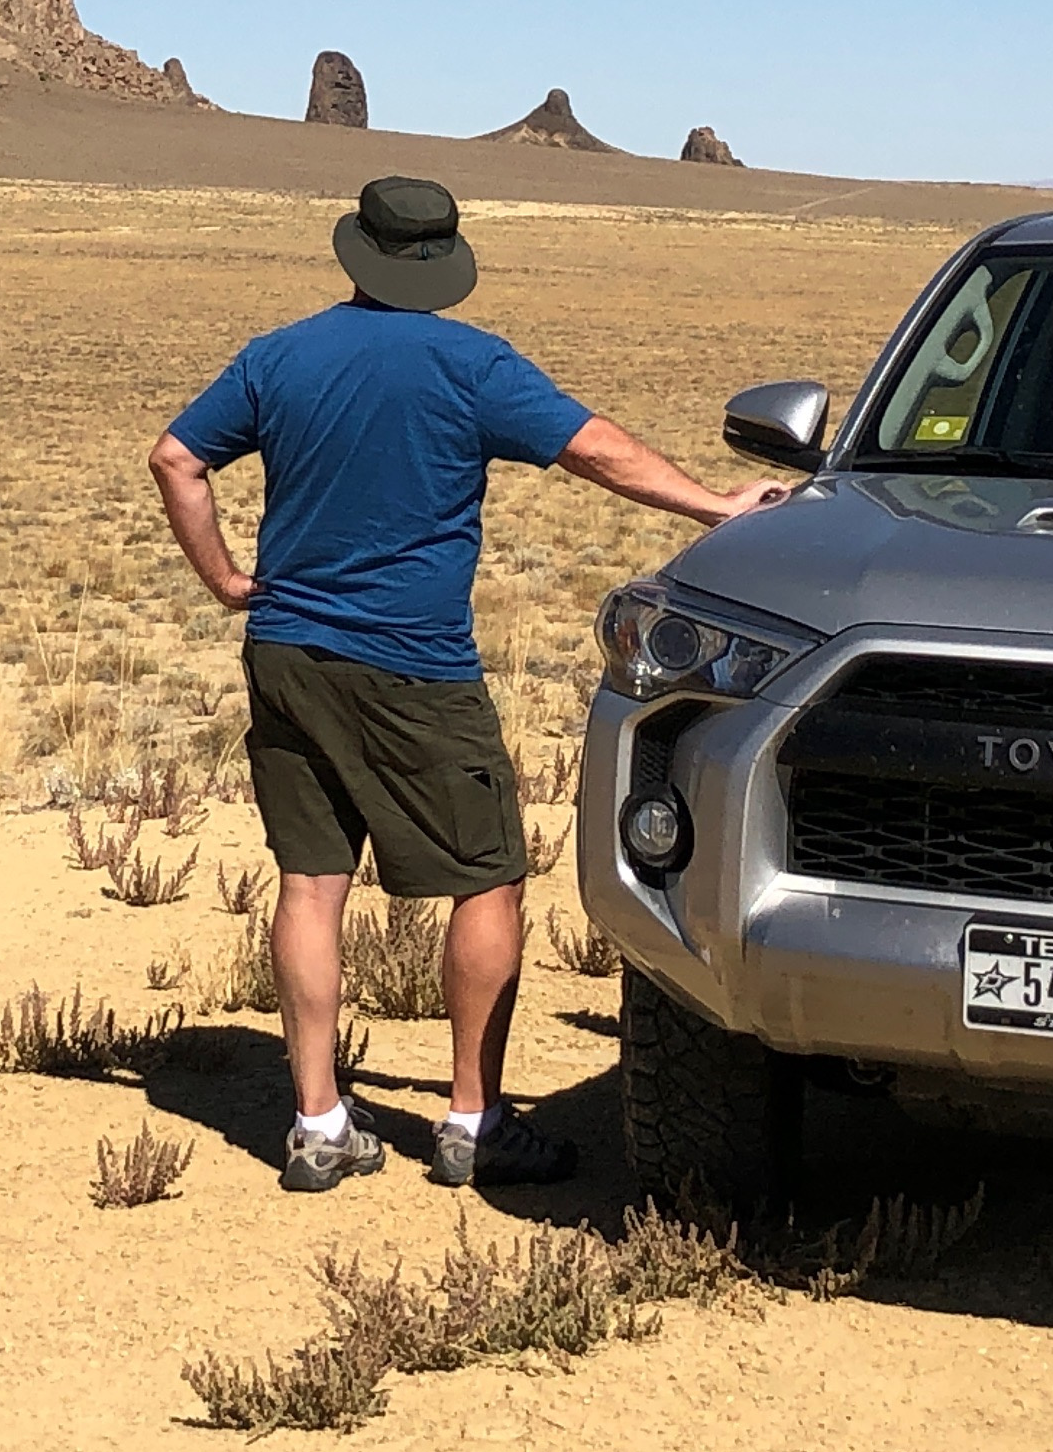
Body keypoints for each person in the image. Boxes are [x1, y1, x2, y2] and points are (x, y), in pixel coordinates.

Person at [149, 174, 788, 1193]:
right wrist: (714, 508)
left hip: (285, 653)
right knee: (488, 876)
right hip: (414, 664)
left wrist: (227, 580)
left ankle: (317, 1123)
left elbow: (177, 457)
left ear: (360, 251)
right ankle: (475, 1125)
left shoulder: (279, 357)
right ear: (442, 263)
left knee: (312, 882)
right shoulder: (471, 364)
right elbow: (597, 451)